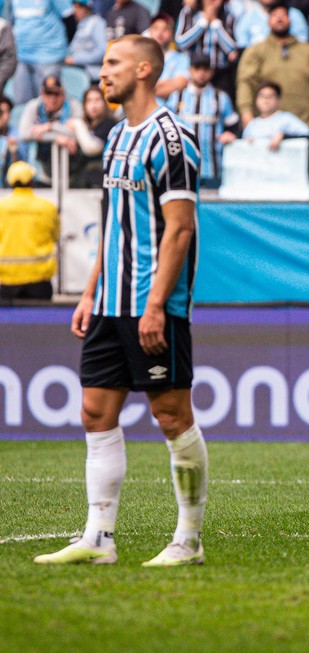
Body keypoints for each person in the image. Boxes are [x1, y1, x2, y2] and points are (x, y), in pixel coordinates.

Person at [33, 35, 208, 567]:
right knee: (94, 411)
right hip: (109, 304)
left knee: (171, 414)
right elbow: (113, 228)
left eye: (112, 63)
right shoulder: (113, 138)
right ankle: (99, 539)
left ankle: (188, 541)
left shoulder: (172, 139)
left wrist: (155, 304)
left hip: (154, 305)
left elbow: (179, 231)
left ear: (145, 68)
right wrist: (89, 293)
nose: (102, 73)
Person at [236, 0, 309, 184]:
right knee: (268, 188)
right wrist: (247, 117)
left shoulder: (308, 51)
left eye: (283, 15)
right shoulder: (256, 51)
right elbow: (245, 84)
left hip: (304, 132)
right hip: (267, 136)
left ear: (290, 19)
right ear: (268, 21)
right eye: (274, 15)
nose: (279, 19)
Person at [167, 54, 239, 188]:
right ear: (190, 70)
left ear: (211, 72)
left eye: (205, 69)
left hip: (212, 168)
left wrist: (231, 135)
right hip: (181, 168)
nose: (201, 73)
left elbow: (234, 125)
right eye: (197, 68)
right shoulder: (176, 97)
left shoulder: (220, 97)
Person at [0, 161, 59, 304]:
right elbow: (55, 235)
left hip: (7, 280)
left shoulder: (1, 207)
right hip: (39, 280)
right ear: (32, 181)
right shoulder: (47, 207)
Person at [18, 75, 83, 185]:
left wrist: (50, 127)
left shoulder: (73, 105)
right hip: (44, 171)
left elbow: (79, 134)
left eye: (56, 94)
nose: (52, 99)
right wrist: (56, 138)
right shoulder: (34, 106)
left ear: (63, 94)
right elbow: (23, 134)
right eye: (48, 94)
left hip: (73, 170)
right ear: (42, 94)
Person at [174, 0, 239, 98]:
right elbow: (181, 43)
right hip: (194, 71)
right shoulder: (189, 11)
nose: (214, 2)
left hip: (220, 73)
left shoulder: (228, 14)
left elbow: (232, 49)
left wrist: (215, 24)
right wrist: (202, 23)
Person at [10, 0, 69, 105]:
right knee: (21, 103)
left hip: (49, 55)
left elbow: (69, 18)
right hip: (20, 55)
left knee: (47, 102)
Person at [66, 85, 116, 188]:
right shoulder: (87, 126)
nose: (93, 105)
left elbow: (91, 148)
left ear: (104, 102)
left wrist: (77, 125)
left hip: (102, 180)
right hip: (82, 180)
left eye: (97, 100)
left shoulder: (109, 123)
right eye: (89, 101)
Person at [241, 81, 309, 149]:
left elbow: (307, 135)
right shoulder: (252, 124)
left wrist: (284, 137)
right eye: (262, 96)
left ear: (278, 100)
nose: (266, 100)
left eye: (270, 96)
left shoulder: (287, 119)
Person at [151, 13, 192, 105]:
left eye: (165, 29)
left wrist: (149, 87)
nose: (159, 33)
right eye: (155, 28)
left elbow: (180, 84)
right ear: (150, 31)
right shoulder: (142, 57)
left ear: (172, 32)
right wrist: (166, 83)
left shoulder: (182, 58)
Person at [65, 0, 108, 83]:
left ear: (86, 8)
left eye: (78, 7)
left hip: (93, 77)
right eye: (74, 6)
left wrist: (75, 59)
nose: (75, 10)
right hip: (79, 75)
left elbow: (103, 51)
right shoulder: (81, 24)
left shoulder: (97, 22)